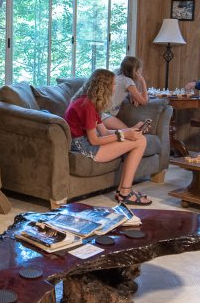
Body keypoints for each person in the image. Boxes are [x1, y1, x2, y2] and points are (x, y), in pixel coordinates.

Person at [65, 69, 153, 205]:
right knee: (140, 141)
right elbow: (94, 140)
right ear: (103, 86)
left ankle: (124, 191)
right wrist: (123, 134)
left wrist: (131, 130)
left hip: (86, 142)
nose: (114, 87)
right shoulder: (86, 106)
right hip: (83, 146)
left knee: (138, 138)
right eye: (113, 84)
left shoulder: (90, 102)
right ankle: (125, 192)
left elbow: (105, 132)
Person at [102, 56, 150, 133]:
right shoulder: (128, 81)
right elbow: (144, 101)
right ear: (135, 71)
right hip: (104, 115)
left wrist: (130, 94)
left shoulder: (116, 76)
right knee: (129, 133)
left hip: (102, 113)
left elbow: (118, 92)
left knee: (123, 134)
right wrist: (143, 81)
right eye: (138, 70)